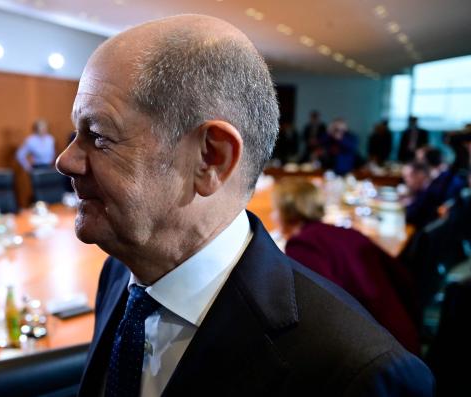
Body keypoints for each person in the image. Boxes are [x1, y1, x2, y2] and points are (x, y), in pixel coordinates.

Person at [56, 14, 433, 396]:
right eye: (76, 133)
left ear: (210, 158)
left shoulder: (360, 373)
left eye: (99, 136)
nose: (65, 160)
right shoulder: (119, 275)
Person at [272, 178, 420, 353]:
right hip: (402, 332)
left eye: (276, 209)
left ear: (287, 211)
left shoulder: (303, 245)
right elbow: (402, 276)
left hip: (379, 352)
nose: (274, 216)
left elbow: (317, 312)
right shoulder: (345, 232)